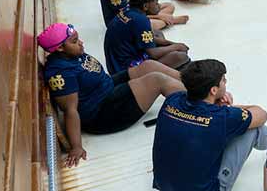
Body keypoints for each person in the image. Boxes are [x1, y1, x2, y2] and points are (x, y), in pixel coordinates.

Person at [38, 23, 185, 167]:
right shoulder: (60, 73)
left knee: (148, 65)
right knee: (156, 80)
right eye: (75, 41)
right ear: (60, 48)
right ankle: (200, 102)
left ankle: (192, 83)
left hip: (107, 88)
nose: (81, 43)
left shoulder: (71, 54)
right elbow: (70, 110)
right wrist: (76, 146)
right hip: (103, 114)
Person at [152, 59, 267, 191]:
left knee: (215, 132)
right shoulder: (221, 118)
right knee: (254, 129)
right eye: (223, 80)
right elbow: (261, 114)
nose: (226, 82)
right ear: (213, 90)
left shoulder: (172, 101)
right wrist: (227, 108)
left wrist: (216, 106)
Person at [103, 0, 190, 75]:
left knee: (157, 33)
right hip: (124, 68)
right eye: (156, 4)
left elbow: (146, 37)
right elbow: (153, 54)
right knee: (180, 56)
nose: (159, 6)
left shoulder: (128, 11)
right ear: (145, 6)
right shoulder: (141, 20)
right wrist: (176, 47)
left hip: (115, 61)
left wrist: (169, 43)